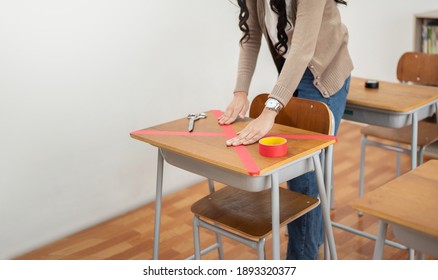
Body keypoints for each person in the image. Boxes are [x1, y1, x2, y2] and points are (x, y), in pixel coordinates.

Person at [218, 0, 353, 259]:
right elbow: (251, 36)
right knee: (304, 178)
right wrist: (240, 92)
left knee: (305, 179)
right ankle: (312, 240)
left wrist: (270, 110)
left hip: (323, 76)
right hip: (292, 73)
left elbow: (302, 49)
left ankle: (302, 257)